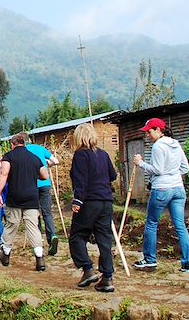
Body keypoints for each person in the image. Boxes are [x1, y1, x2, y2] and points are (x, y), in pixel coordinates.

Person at [133, 118, 189, 273]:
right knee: (180, 225)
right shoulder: (176, 144)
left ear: (158, 130)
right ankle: (188, 263)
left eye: (149, 131)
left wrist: (140, 163)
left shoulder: (158, 146)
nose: (148, 134)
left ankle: (149, 260)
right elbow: (185, 168)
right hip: (178, 189)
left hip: (161, 189)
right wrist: (173, 175)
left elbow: (158, 170)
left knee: (152, 223)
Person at [68, 123, 118, 293]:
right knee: (104, 240)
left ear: (78, 137)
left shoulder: (81, 155)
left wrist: (77, 201)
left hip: (89, 201)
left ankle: (87, 269)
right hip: (106, 201)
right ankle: (107, 277)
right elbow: (113, 175)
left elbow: (80, 180)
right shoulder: (103, 154)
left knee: (77, 236)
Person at [0, 133, 48, 271]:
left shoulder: (9, 156)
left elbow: (4, 173)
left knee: (11, 225)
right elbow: (44, 175)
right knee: (33, 227)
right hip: (32, 197)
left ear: (12, 144)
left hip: (15, 197)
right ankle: (39, 258)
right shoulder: (34, 158)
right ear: (24, 143)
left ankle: (5, 254)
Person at [26, 140, 61, 256]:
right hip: (45, 184)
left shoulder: (24, 150)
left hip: (31, 184)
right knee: (47, 213)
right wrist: (47, 165)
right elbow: (56, 161)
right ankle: (52, 236)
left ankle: (38, 241)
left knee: (34, 213)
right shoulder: (41, 149)